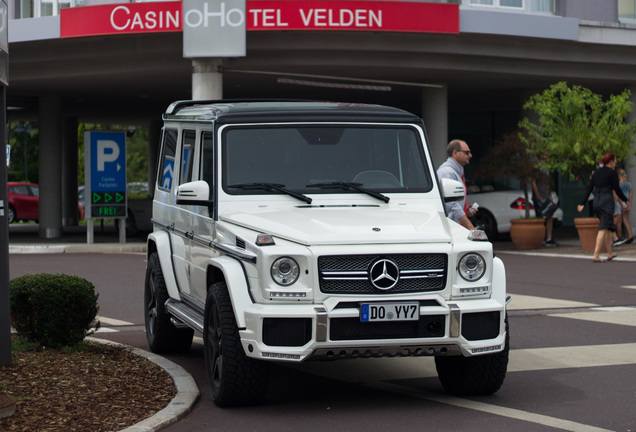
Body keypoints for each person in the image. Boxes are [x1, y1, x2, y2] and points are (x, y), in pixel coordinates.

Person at [577, 153, 630, 262]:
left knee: (608, 226)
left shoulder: (596, 173)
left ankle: (610, 253)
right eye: (615, 160)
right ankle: (596, 255)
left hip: (596, 201)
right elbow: (617, 189)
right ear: (611, 162)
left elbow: (589, 189)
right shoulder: (612, 173)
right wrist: (625, 200)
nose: (615, 163)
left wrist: (582, 203)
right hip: (606, 201)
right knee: (603, 228)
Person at [437, 139, 477, 230]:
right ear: (455, 153)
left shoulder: (455, 172)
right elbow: (452, 205)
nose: (470, 155)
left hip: (453, 227)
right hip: (450, 229)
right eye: (466, 153)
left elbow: (452, 204)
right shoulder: (447, 172)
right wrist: (471, 228)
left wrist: (465, 212)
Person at [530, 170, 558, 247]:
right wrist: (537, 195)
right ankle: (539, 238)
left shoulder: (547, 169)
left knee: (550, 216)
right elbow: (533, 182)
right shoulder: (537, 167)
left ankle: (549, 238)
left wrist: (550, 195)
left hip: (546, 196)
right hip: (540, 197)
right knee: (541, 218)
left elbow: (547, 184)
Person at [618, 168, 633, 244]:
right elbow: (631, 195)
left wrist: (621, 204)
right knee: (626, 220)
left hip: (621, 203)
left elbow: (619, 196)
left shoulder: (619, 185)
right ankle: (630, 235)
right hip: (627, 203)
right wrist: (629, 204)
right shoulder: (629, 184)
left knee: (619, 220)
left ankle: (620, 237)